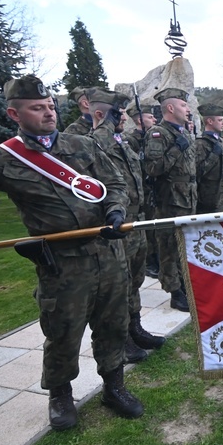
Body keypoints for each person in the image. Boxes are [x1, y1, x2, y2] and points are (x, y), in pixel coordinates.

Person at [0, 75, 143, 431]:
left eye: (51, 106)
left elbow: (115, 182)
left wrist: (115, 210)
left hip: (108, 253)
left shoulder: (81, 145)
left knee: (114, 324)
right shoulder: (1, 159)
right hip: (61, 264)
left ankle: (114, 386)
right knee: (63, 332)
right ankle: (60, 395)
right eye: (37, 108)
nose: (48, 113)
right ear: (15, 113)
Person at [88, 89, 166, 362]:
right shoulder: (95, 143)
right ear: (99, 114)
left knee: (134, 280)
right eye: (117, 113)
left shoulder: (119, 140)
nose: (123, 117)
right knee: (118, 286)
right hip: (117, 224)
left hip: (136, 222)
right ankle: (121, 340)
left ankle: (135, 329)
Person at [143, 87, 196, 312]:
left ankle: (184, 285)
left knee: (184, 247)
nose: (188, 109)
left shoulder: (182, 133)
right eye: (183, 105)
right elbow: (153, 168)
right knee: (169, 247)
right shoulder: (158, 133)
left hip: (187, 199)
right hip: (170, 201)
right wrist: (176, 149)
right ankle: (174, 292)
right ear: (171, 108)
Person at [125, 105, 160, 278]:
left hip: (152, 187)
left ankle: (155, 257)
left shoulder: (151, 138)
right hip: (142, 189)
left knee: (154, 223)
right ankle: (149, 260)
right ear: (140, 119)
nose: (154, 120)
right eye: (150, 117)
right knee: (146, 225)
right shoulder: (132, 140)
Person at [195, 103, 223, 213]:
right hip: (209, 198)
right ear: (210, 121)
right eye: (220, 120)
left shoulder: (221, 142)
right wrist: (213, 155)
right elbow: (198, 171)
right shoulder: (201, 143)